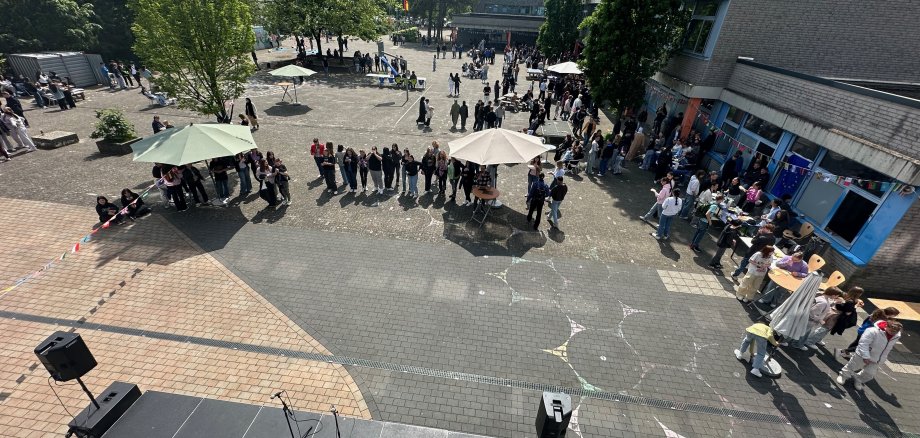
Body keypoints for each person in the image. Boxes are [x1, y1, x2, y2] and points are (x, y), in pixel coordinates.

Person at [836, 320, 902, 391]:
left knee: (870, 373)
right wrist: (866, 356)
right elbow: (863, 344)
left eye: (894, 332)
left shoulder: (896, 336)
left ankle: (858, 379)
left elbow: (888, 348)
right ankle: (843, 375)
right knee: (853, 365)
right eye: (891, 331)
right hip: (862, 354)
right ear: (886, 326)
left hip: (877, 358)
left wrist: (882, 359)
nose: (892, 333)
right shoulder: (872, 331)